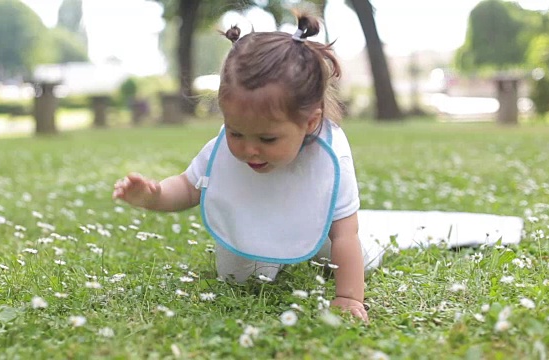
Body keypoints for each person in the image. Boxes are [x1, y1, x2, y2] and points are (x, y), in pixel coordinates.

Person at [113, 13, 367, 322]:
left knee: (352, 259)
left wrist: (348, 296)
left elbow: (344, 234)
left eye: (267, 138)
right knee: (240, 279)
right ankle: (274, 254)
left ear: (310, 122)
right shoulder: (224, 149)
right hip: (253, 222)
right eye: (236, 133)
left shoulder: (330, 159)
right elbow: (188, 187)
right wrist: (153, 196)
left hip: (319, 227)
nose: (248, 149)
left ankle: (329, 248)